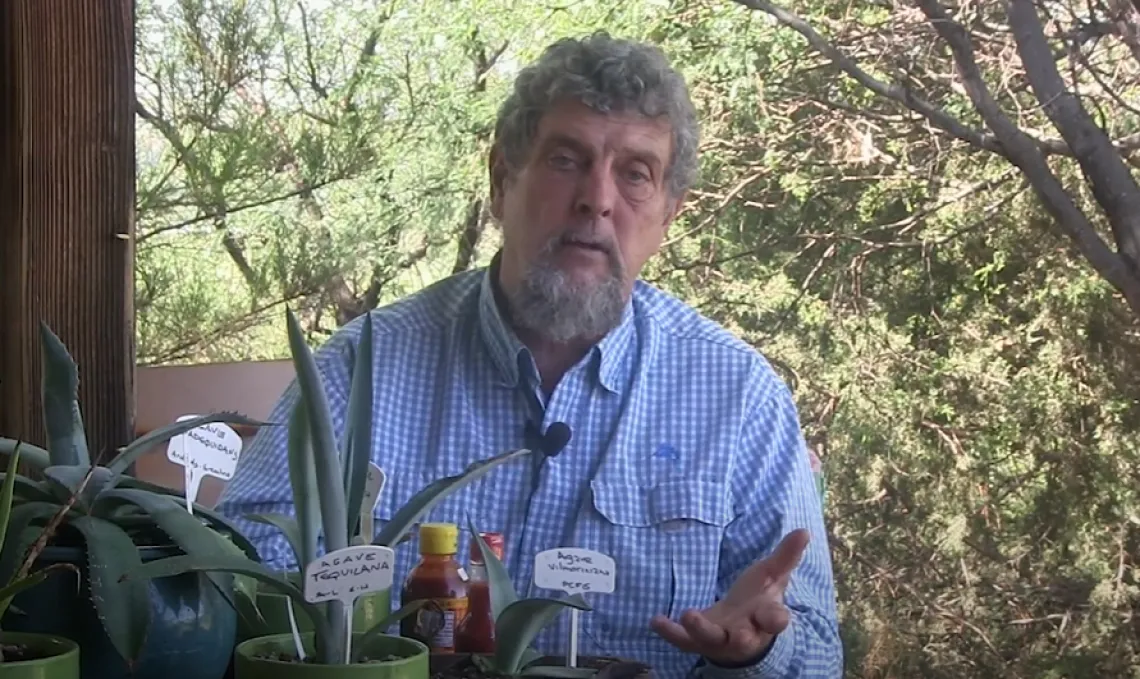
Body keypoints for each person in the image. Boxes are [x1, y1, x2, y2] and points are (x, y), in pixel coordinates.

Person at [215, 31, 841, 678]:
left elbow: (818, 652)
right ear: (500, 179)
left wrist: (759, 651)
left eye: (635, 173)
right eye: (566, 158)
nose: (596, 198)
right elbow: (242, 581)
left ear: (668, 214)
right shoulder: (358, 370)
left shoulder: (738, 395)